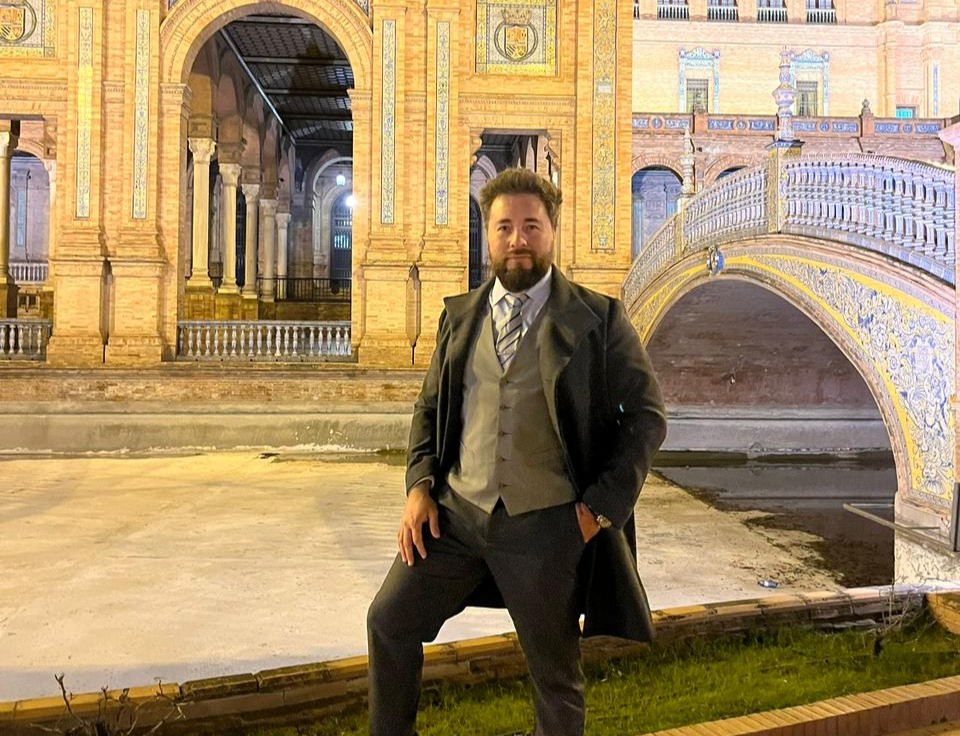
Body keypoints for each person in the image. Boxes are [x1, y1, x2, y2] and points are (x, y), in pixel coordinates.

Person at [366, 167, 667, 736]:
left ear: (553, 230)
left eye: (532, 225)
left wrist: (597, 510)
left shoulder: (598, 318)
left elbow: (646, 418)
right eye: (504, 227)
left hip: (547, 526)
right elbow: (429, 409)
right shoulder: (459, 316)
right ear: (488, 234)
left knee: (555, 676)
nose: (518, 239)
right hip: (456, 519)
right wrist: (419, 487)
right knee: (389, 621)